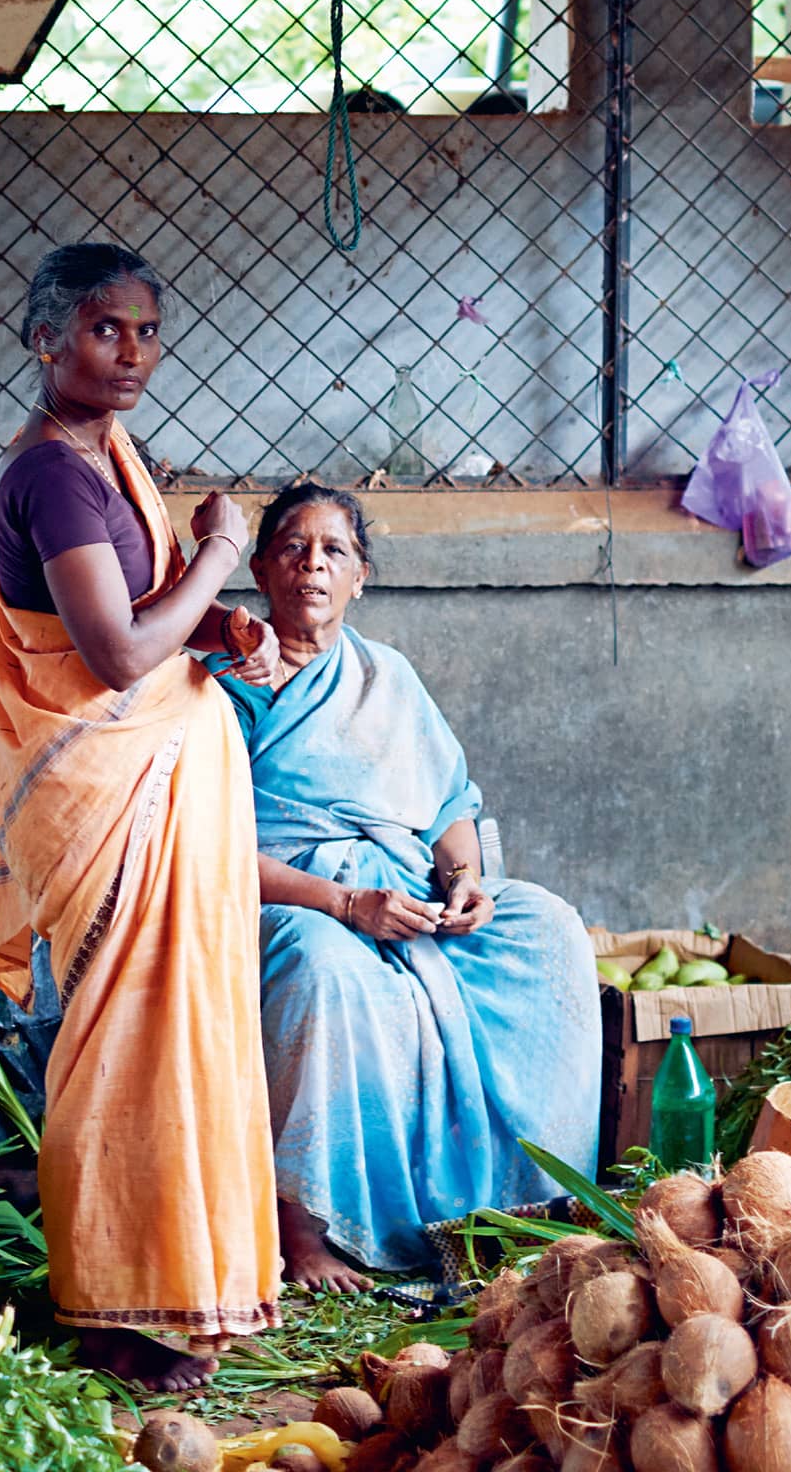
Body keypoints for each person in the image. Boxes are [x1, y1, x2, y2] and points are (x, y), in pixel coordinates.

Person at [0, 242, 282, 1387]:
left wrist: (217, 626)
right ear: (46, 338)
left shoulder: (108, 456)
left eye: (147, 331)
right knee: (120, 1043)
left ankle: (175, 1280)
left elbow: (142, 618)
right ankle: (101, 1301)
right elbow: (109, 657)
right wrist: (218, 552)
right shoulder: (54, 474)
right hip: (107, 790)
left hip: (165, 781)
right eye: (108, 330)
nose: (133, 352)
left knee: (176, 1035)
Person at [209, 483, 602, 1291]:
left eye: (334, 552)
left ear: (361, 577)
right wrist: (347, 905)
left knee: (546, 928)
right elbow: (206, 843)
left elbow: (450, 805)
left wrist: (464, 883)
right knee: (326, 970)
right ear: (259, 569)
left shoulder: (386, 675)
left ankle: (532, 1201)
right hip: (288, 897)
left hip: (406, 892)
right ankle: (306, 1232)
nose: (312, 565)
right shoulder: (219, 684)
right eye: (292, 548)